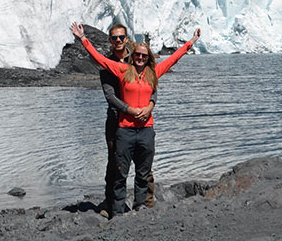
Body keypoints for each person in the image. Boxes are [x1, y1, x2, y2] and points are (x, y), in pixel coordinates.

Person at [71, 21, 200, 216]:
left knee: (143, 170)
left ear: (147, 58)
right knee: (118, 169)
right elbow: (99, 61)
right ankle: (115, 209)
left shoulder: (152, 73)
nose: (140, 57)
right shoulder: (121, 70)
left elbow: (173, 59)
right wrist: (83, 39)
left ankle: (142, 206)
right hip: (123, 125)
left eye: (143, 55)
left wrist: (191, 42)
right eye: (137, 55)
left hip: (146, 127)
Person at [96, 23, 154, 217]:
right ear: (110, 41)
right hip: (116, 120)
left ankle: (146, 202)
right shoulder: (107, 66)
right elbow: (110, 96)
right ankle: (111, 205)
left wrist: (150, 105)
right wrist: (129, 109)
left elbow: (153, 85)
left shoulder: (138, 57)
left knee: (144, 162)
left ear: (127, 38)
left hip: (140, 119)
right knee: (115, 162)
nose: (118, 41)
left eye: (121, 37)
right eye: (115, 38)